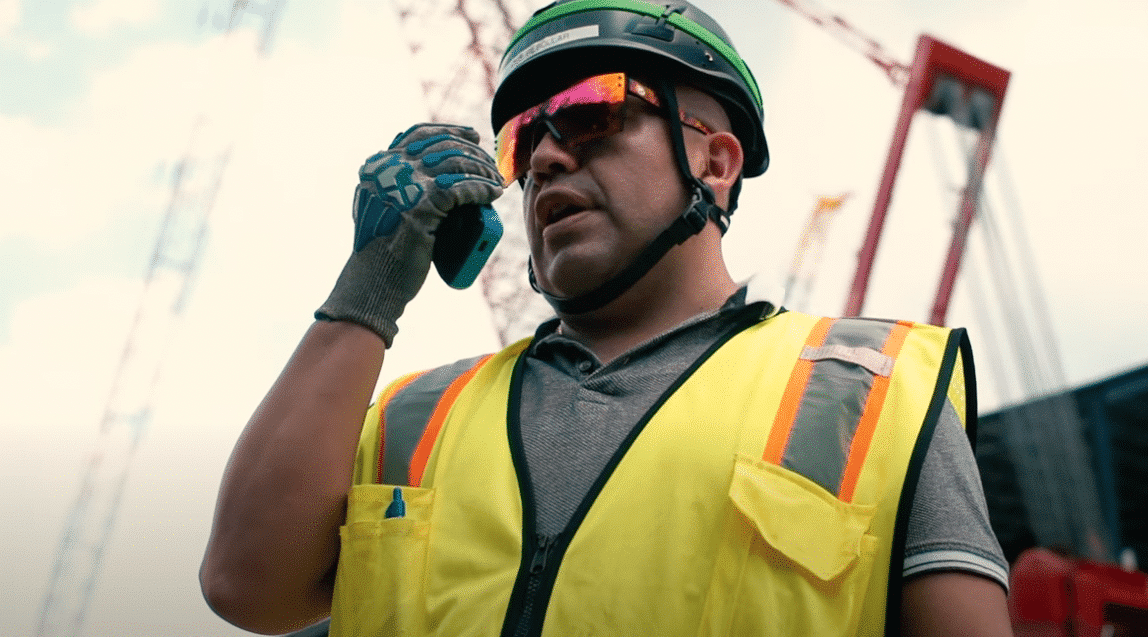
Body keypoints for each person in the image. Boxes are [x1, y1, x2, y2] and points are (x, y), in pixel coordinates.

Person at [200, 1, 1015, 635]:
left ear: (715, 161)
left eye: (593, 112)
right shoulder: (418, 417)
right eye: (526, 141)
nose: (549, 156)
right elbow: (246, 583)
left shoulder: (870, 399)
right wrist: (370, 290)